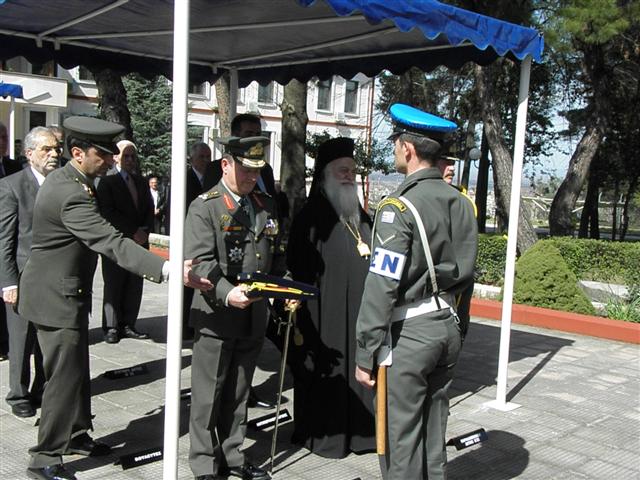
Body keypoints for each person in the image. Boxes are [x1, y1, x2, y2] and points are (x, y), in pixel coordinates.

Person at [17, 116, 170, 480]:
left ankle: (76, 435)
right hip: (54, 299)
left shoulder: (78, 181)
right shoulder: (70, 192)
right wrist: (164, 268)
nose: (112, 161)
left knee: (77, 372)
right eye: (103, 154)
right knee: (62, 380)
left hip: (68, 294)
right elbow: (110, 241)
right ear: (77, 153)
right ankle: (44, 457)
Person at [354, 104, 478, 480]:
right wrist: (461, 326)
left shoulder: (397, 208)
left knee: (399, 440)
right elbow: (467, 277)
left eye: (395, 143)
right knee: (433, 432)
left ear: (407, 149)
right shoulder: (461, 202)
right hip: (447, 326)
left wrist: (365, 350)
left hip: (409, 335)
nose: (394, 150)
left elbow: (381, 284)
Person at [185, 135, 287, 480]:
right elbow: (200, 263)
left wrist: (284, 287)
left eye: (257, 171)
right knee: (208, 394)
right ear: (226, 164)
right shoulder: (206, 206)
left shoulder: (263, 204)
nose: (251, 178)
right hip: (217, 312)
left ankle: (232, 454)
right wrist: (229, 293)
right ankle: (202, 462)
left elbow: (273, 255)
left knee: (240, 390)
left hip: (253, 314)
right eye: (245, 170)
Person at [286, 137, 375, 458]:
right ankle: (326, 434)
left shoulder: (361, 217)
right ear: (325, 174)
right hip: (325, 318)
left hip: (360, 316)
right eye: (342, 171)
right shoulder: (310, 218)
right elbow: (298, 270)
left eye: (352, 170)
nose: (349, 176)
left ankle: (363, 433)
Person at [0, 127, 60, 419]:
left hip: (53, 277)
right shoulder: (12, 186)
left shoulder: (60, 183)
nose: (53, 154)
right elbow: (5, 240)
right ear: (29, 153)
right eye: (46, 149)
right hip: (23, 276)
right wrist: (8, 282)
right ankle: (18, 393)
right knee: (21, 339)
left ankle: (42, 387)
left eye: (55, 149)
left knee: (46, 339)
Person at [97, 140, 155, 344]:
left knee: (134, 283)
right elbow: (107, 212)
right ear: (115, 157)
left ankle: (128, 323)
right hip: (117, 242)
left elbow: (149, 208)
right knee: (114, 283)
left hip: (139, 242)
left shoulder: (140, 181)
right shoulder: (107, 181)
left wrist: (146, 231)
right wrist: (132, 231)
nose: (130, 160)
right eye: (125, 156)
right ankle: (112, 326)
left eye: (132, 156)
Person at [0, 121, 22, 361]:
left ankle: (7, 341)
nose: (3, 141)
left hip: (12, 238)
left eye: (5, 137)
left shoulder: (15, 167)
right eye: (0, 137)